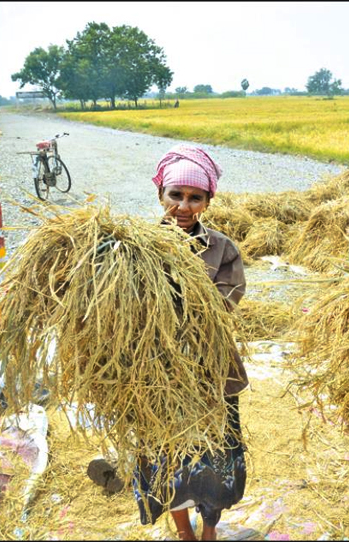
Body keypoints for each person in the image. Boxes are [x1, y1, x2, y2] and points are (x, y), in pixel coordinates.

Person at [90, 145, 248, 541]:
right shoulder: (134, 246)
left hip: (210, 373)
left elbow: (228, 298)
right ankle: (183, 531)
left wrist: (187, 307)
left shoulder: (221, 248)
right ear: (160, 195)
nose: (184, 206)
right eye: (175, 195)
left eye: (195, 198)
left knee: (215, 454)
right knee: (164, 454)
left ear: (208, 201)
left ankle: (209, 527)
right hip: (151, 374)